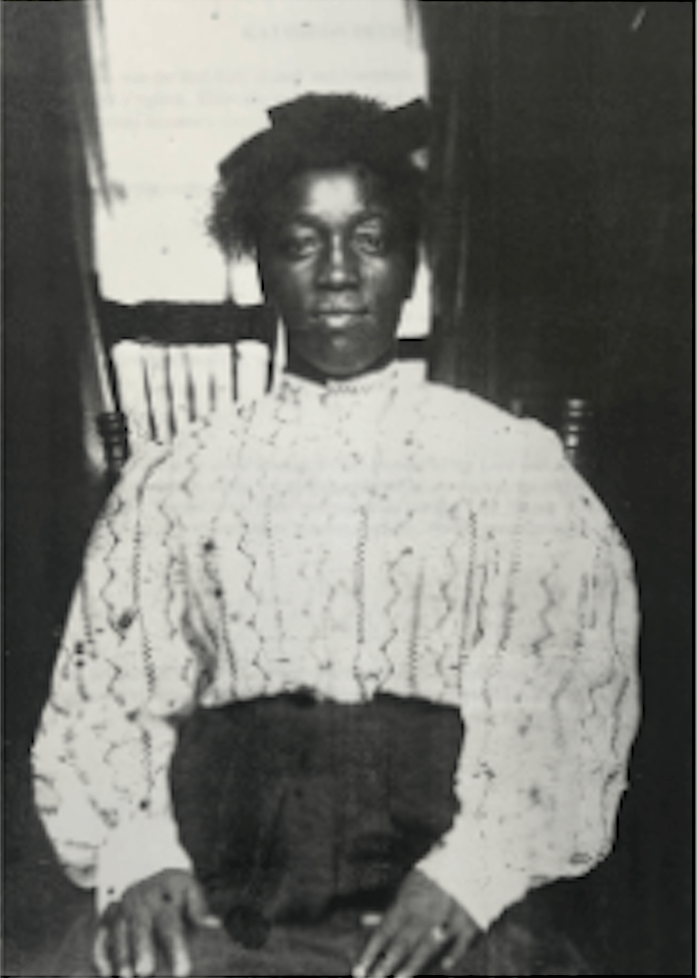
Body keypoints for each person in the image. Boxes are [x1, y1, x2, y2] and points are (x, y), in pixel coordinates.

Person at [30, 94, 640, 977]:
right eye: (301, 241)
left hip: (436, 864)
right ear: (262, 266)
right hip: (222, 873)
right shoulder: (177, 481)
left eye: (371, 235)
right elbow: (111, 697)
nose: (340, 273)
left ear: (410, 259)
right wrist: (141, 856)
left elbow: (569, 691)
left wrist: (474, 873)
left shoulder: (509, 468)